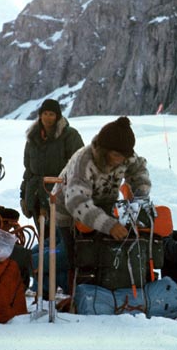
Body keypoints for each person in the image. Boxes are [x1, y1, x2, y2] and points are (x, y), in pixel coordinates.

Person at [52, 116, 151, 264]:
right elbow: (76, 202)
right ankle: (32, 262)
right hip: (67, 211)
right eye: (116, 155)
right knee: (70, 257)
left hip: (103, 206)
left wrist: (140, 196)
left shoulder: (124, 155)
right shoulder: (84, 161)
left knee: (100, 253)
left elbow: (139, 171)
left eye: (124, 157)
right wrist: (110, 226)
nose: (120, 161)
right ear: (104, 151)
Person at [20, 99, 84, 233]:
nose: (48, 118)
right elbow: (28, 169)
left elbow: (79, 165)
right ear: (40, 115)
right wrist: (23, 195)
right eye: (45, 113)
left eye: (52, 114)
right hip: (36, 193)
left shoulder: (70, 135)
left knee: (61, 238)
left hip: (59, 196)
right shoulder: (33, 137)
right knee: (44, 236)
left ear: (58, 116)